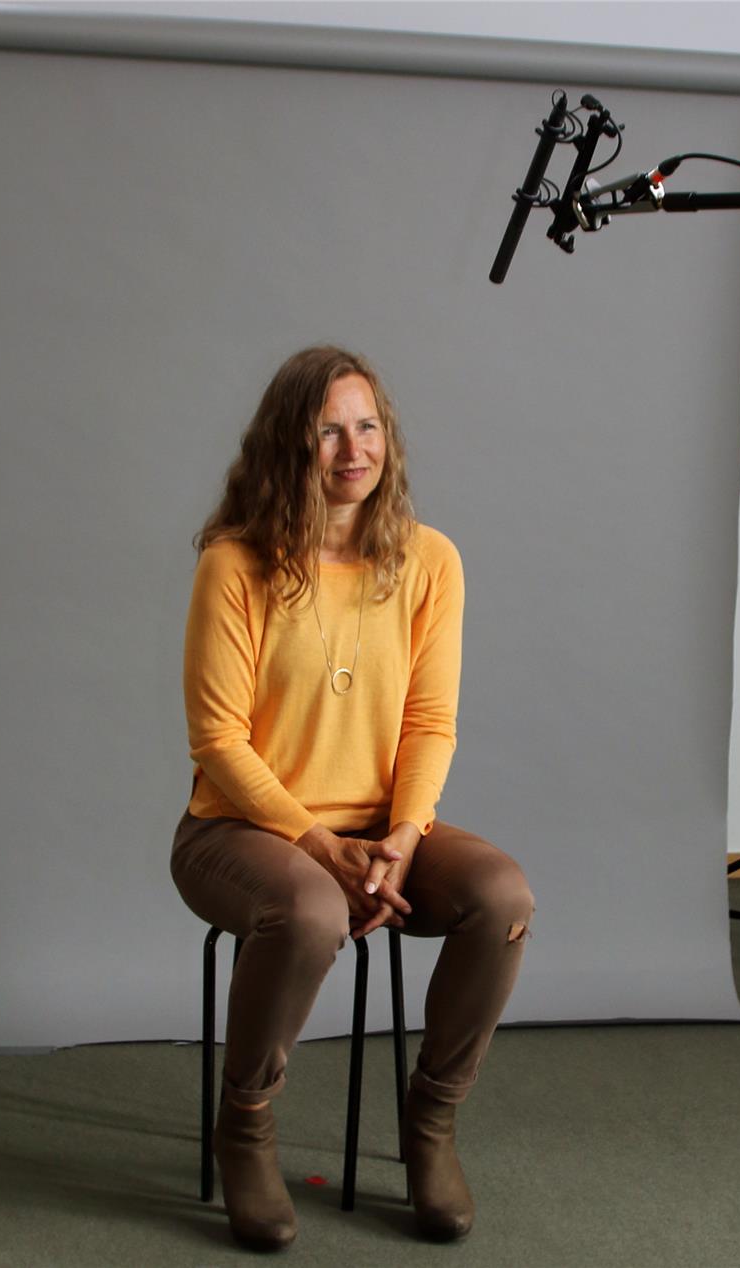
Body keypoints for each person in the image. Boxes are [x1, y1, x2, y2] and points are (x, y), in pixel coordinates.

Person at [171, 345, 533, 1250]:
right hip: (238, 830)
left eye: (367, 426)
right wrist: (319, 847)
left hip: (381, 829)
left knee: (501, 896)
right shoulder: (235, 563)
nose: (353, 449)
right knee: (310, 909)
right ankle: (245, 1125)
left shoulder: (430, 561)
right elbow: (218, 742)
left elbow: (430, 722)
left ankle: (431, 1124)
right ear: (287, 444)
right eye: (328, 430)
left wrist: (403, 837)